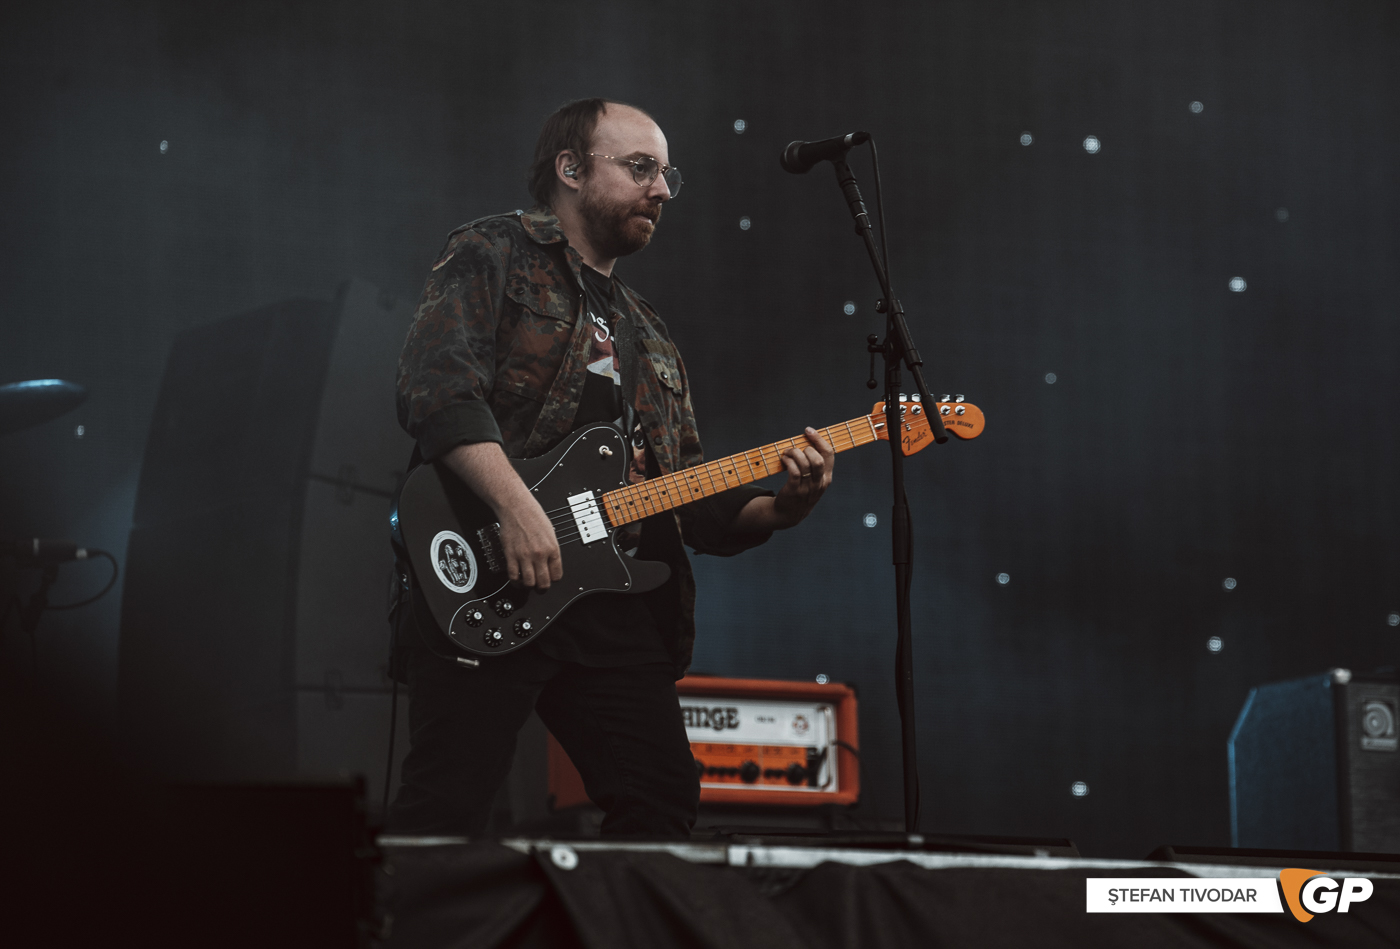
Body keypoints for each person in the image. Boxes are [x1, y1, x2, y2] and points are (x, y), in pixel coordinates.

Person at [390, 98, 835, 837]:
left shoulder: (650, 332)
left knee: (661, 803)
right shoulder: (493, 251)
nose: (661, 190)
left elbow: (688, 495)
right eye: (639, 168)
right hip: (490, 568)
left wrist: (786, 507)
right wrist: (517, 507)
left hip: (609, 604)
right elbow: (435, 388)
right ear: (570, 169)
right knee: (447, 807)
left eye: (666, 175)